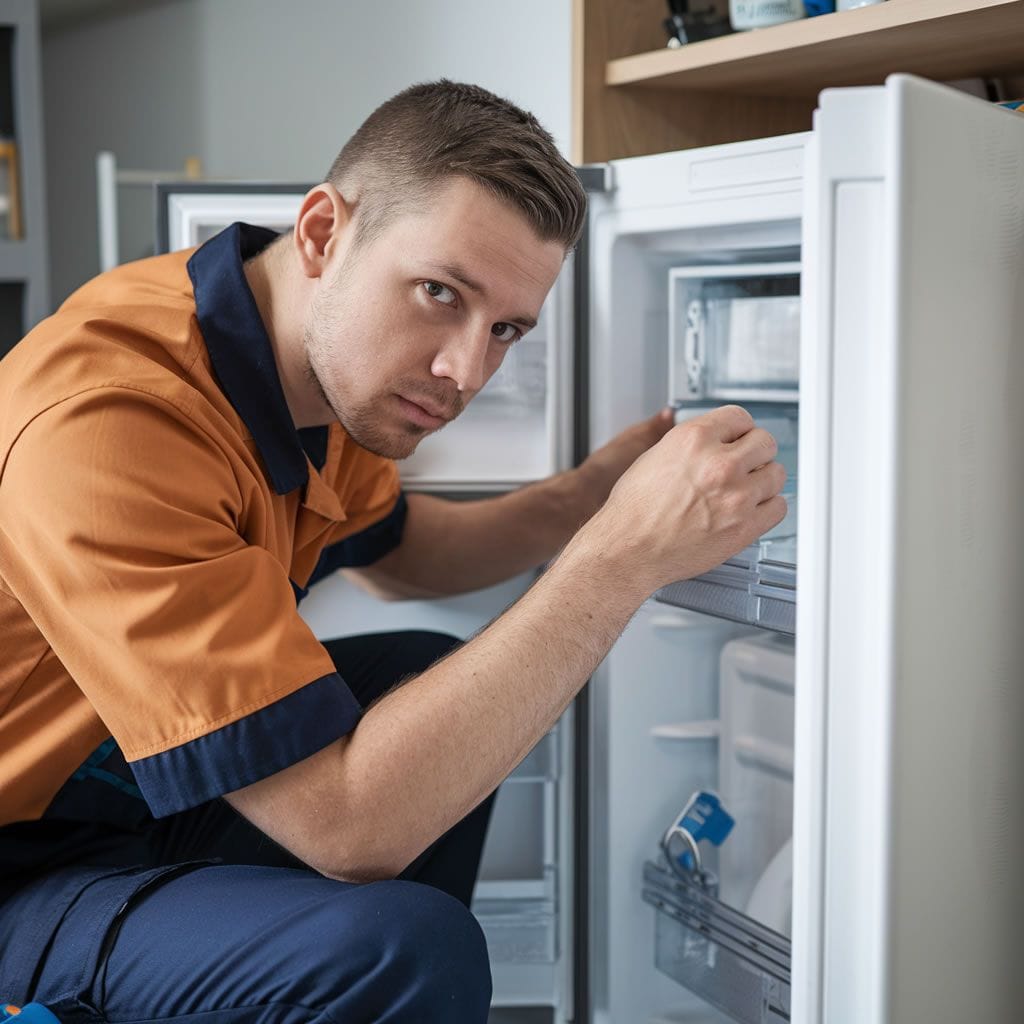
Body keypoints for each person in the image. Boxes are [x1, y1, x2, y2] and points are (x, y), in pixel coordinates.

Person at [0, 80, 786, 1023]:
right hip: (19, 863)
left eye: (503, 329)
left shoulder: (304, 371)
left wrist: (585, 502)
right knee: (404, 952)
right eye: (438, 293)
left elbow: (406, 551)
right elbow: (349, 829)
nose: (465, 371)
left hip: (115, 789)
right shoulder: (114, 428)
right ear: (326, 232)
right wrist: (620, 556)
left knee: (414, 674)